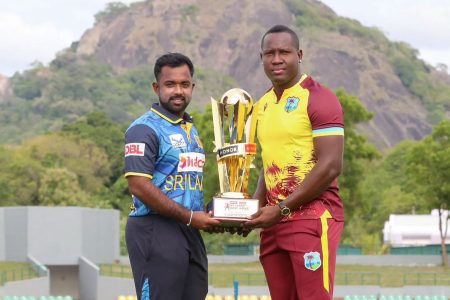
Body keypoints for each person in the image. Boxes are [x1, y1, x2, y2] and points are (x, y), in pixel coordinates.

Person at [244, 25, 345, 300]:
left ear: (299, 54)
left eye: (284, 52)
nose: (277, 59)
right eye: (270, 53)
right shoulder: (262, 104)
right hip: (275, 223)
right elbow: (271, 163)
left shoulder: (319, 98)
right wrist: (254, 208)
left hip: (312, 218)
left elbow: (330, 165)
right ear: (261, 57)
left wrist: (281, 209)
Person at [124, 52, 220, 300]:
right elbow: (139, 185)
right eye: (170, 84)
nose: (178, 90)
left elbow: (187, 185)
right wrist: (190, 216)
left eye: (184, 84)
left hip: (189, 229)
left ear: (192, 87)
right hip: (155, 229)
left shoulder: (191, 130)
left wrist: (215, 209)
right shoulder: (144, 129)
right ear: (157, 87)